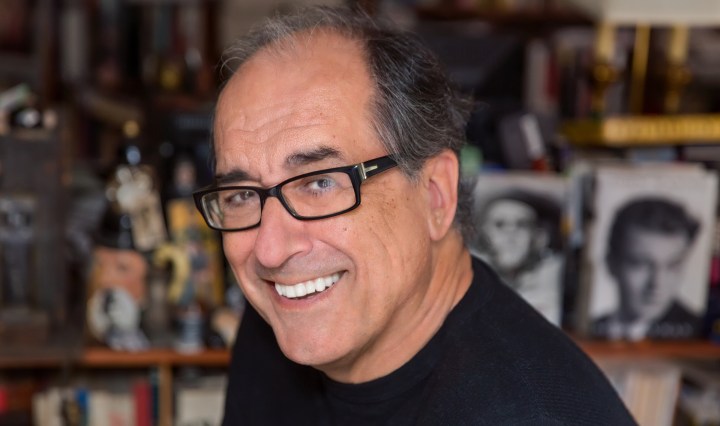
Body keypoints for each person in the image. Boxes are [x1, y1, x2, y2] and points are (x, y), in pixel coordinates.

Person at [193, 6, 635, 425]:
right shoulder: (280, 323)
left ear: (435, 195)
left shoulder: (530, 415)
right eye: (241, 195)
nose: (269, 251)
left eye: (320, 183)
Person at [593, 197, 702, 341]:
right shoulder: (591, 325)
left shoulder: (697, 330)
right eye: (640, 264)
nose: (656, 283)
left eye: (672, 266)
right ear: (611, 263)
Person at [471, 189, 564, 325]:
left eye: (522, 224)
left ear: (539, 237)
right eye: (500, 224)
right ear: (483, 235)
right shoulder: (469, 279)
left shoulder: (554, 277)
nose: (510, 234)